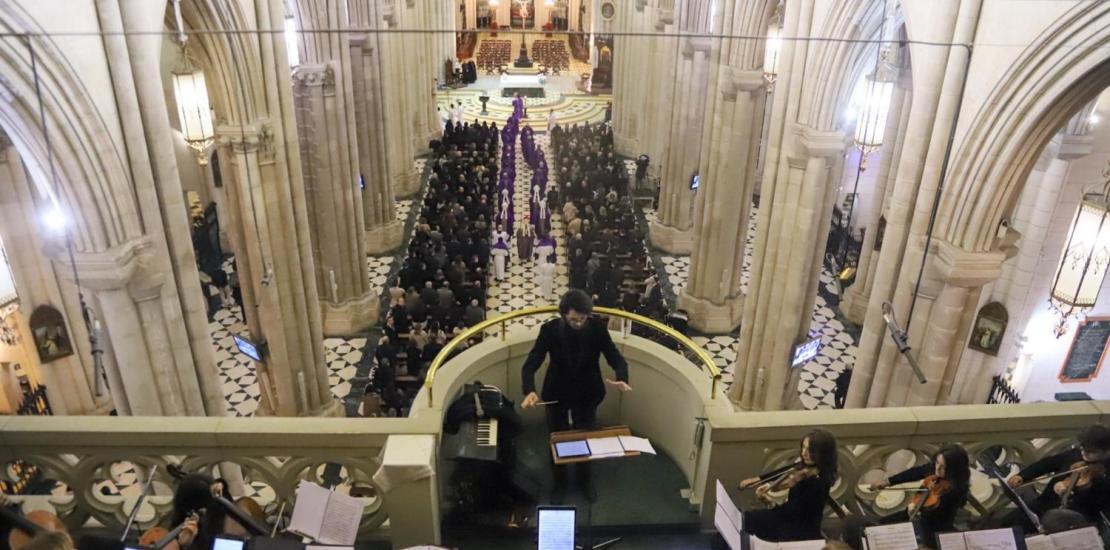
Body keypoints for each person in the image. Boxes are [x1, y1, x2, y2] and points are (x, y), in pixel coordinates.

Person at [521, 290, 632, 503]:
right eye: (573, 319)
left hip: (587, 392)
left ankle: (584, 480)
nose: (579, 323)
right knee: (556, 438)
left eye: (582, 319)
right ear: (563, 314)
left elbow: (615, 357)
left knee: (586, 437)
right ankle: (560, 483)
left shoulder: (597, 328)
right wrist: (529, 390)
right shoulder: (549, 330)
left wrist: (622, 377)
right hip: (557, 392)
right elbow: (532, 362)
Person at [1004, 424, 1110, 531]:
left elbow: (1098, 504)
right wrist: (1022, 476)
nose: (1084, 454)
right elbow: (1048, 463)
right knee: (1008, 522)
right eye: (1082, 449)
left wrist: (1068, 493)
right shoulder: (1076, 454)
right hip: (1043, 505)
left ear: (1107, 450)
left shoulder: (1105, 475)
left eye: (1091, 452)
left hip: (1069, 519)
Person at [739, 429, 839, 542]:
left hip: (798, 529)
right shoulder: (808, 466)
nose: (804, 453)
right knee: (746, 518)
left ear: (823, 453)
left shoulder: (817, 483)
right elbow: (785, 470)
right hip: (790, 518)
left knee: (747, 520)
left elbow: (792, 512)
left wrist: (769, 502)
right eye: (804, 447)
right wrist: (760, 479)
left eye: (810, 450)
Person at [869, 444, 971, 546]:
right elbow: (915, 472)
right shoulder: (935, 469)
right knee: (877, 525)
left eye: (943, 467)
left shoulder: (958, 489)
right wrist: (888, 481)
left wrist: (918, 508)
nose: (937, 469)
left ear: (954, 470)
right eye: (937, 462)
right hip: (916, 512)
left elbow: (939, 512)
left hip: (934, 528)